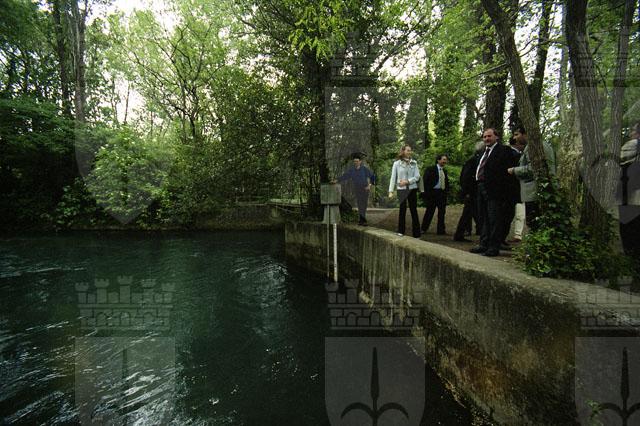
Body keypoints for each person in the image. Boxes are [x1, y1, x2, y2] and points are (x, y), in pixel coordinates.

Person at [470, 128, 512, 257]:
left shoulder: (503, 150)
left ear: (496, 137)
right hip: (480, 187)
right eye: (484, 137)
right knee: (483, 218)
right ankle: (483, 244)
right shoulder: (483, 152)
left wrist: (502, 189)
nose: (487, 139)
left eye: (489, 136)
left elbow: (505, 171)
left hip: (495, 190)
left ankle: (493, 247)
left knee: (494, 219)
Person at [507, 126, 556, 231]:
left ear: (525, 134)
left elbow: (533, 169)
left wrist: (514, 170)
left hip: (534, 191)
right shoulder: (545, 144)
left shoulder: (532, 147)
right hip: (542, 190)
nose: (514, 138)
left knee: (534, 223)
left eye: (516, 134)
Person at [388, 144, 421, 237]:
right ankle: (401, 231)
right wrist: (390, 191)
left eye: (410, 150)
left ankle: (417, 234)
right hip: (401, 190)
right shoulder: (396, 164)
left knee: (413, 210)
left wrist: (407, 181)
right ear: (403, 151)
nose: (410, 152)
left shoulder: (414, 163)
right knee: (402, 209)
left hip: (412, 189)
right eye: (408, 150)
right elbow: (393, 178)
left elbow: (417, 176)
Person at [453, 142, 484, 242]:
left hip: (473, 192)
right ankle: (460, 234)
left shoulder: (475, 160)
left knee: (471, 213)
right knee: (470, 213)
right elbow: (465, 177)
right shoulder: (473, 161)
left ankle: (461, 234)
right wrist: (467, 192)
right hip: (472, 192)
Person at [618, 122, 640, 259]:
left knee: (630, 233)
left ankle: (632, 263)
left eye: (633, 130)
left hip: (632, 197)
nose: (631, 133)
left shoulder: (633, 145)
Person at [336, 153, 375, 226]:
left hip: (365, 188)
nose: (356, 163)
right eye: (354, 161)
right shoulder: (352, 170)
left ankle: (363, 220)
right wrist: (336, 180)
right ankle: (362, 220)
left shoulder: (364, 169)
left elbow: (372, 176)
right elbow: (345, 176)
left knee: (364, 204)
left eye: (357, 161)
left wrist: (369, 185)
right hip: (357, 188)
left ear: (360, 161)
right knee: (360, 204)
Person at [499, 134, 524, 247]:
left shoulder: (509, 153)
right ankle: (500, 239)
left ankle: (501, 238)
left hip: (511, 190)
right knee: (506, 216)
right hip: (510, 190)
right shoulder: (511, 154)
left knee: (508, 215)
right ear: (517, 143)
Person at [421, 154, 449, 235]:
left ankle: (441, 230)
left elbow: (446, 182)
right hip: (432, 193)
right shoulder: (431, 169)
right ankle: (423, 228)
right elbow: (425, 181)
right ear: (438, 160)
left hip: (442, 194)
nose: (445, 161)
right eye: (443, 159)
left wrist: (446, 191)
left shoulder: (444, 171)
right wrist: (424, 192)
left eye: (446, 160)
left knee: (442, 213)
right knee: (430, 211)